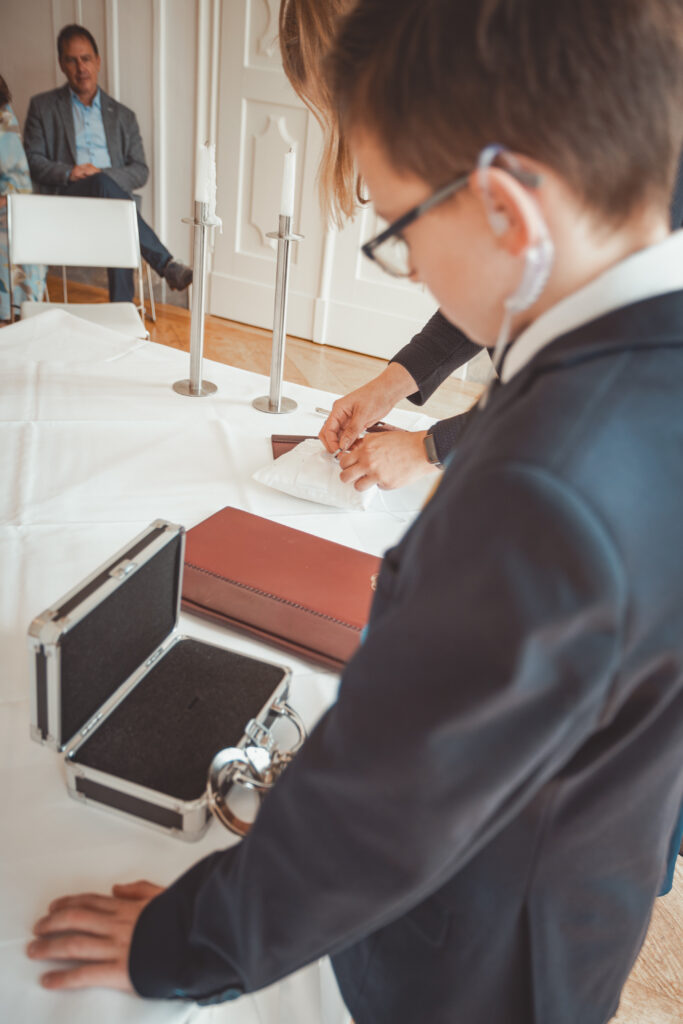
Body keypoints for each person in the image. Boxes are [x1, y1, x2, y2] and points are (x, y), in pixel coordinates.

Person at [26, 2, 683, 1023]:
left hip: (470, 958)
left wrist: (184, 942)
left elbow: (388, 811)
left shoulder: (538, 489)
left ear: (506, 208)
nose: (410, 270)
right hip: (583, 879)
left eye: (395, 231)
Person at [23, 24, 192, 304]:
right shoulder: (43, 107)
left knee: (113, 203)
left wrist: (102, 174)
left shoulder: (123, 116)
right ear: (62, 65)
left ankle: (125, 305)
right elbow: (33, 161)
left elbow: (140, 170)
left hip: (112, 205)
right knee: (113, 200)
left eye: (86, 58)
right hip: (68, 200)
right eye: (72, 60)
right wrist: (71, 171)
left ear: (98, 62)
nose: (81, 67)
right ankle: (163, 268)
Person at [0, 74, 46, 322]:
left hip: (3, 204)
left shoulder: (3, 115)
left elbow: (16, 180)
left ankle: (20, 316)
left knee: (23, 230)